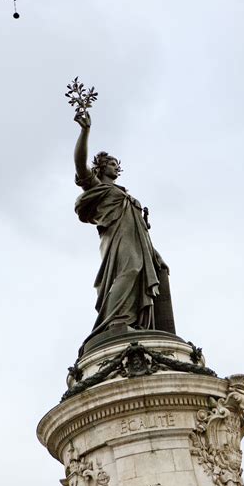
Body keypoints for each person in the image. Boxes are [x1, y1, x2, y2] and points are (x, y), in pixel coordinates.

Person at [74, 111, 176, 343]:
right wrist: (85, 131)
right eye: (110, 163)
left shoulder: (124, 195)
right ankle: (116, 320)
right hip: (117, 239)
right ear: (100, 167)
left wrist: (155, 254)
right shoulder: (97, 186)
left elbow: (141, 229)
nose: (115, 166)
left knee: (141, 272)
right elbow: (80, 164)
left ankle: (133, 322)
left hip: (136, 240)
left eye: (116, 164)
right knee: (129, 271)